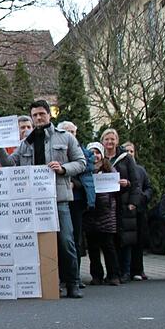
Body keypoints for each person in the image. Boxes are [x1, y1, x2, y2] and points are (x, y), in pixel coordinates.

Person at [0, 100, 86, 298]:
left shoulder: (66, 138)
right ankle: (46, 283)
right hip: (32, 200)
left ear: (49, 115)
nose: (38, 118)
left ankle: (73, 282)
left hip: (59, 198)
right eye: (34, 115)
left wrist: (63, 169)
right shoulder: (25, 142)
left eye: (41, 114)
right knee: (35, 244)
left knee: (66, 241)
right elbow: (11, 165)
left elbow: (81, 163)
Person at [100, 128, 142, 283]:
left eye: (113, 139)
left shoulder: (126, 158)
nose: (110, 142)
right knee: (110, 240)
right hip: (106, 205)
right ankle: (113, 271)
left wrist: (133, 201)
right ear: (102, 141)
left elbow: (136, 181)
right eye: (107, 139)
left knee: (125, 239)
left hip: (124, 202)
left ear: (117, 141)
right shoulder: (100, 156)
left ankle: (125, 271)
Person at [58, 120, 95, 288]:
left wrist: (75, 184)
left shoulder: (84, 153)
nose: (69, 135)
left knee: (75, 238)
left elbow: (86, 175)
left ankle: (75, 275)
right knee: (62, 239)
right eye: (65, 131)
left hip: (77, 199)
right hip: (60, 197)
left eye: (72, 131)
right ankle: (62, 275)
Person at [83, 142, 120, 286]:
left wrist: (123, 184)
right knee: (92, 248)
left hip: (106, 213)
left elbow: (117, 190)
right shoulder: (85, 170)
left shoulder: (110, 169)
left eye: (97, 152)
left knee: (109, 246)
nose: (95, 156)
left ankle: (113, 275)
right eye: (92, 153)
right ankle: (96, 276)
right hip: (90, 213)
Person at [123, 141, 153, 281]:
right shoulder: (121, 168)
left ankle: (138, 269)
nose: (129, 154)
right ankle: (126, 270)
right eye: (126, 151)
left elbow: (148, 187)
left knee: (139, 241)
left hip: (139, 210)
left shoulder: (140, 170)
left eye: (131, 151)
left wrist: (144, 197)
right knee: (127, 241)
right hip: (126, 209)